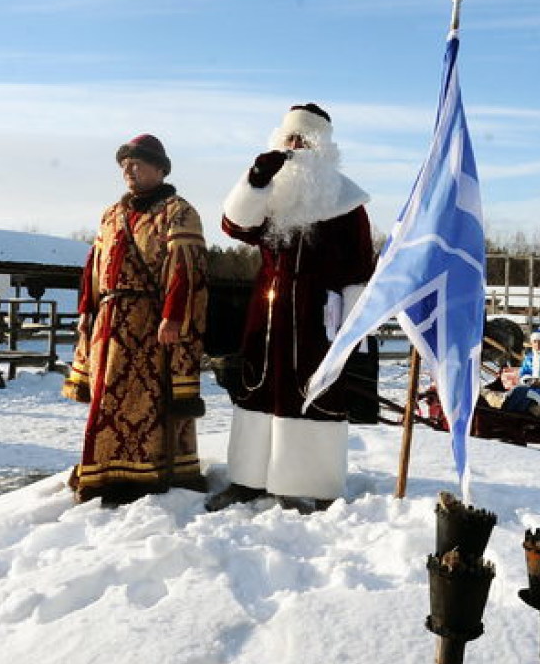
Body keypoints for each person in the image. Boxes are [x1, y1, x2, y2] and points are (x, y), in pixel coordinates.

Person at [206, 103, 374, 511]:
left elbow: (360, 269)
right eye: (289, 139)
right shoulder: (270, 191)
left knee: (313, 393)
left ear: (322, 149)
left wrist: (354, 332)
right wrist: (256, 180)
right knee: (257, 388)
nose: (295, 146)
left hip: (319, 316)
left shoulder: (346, 201)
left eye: (304, 140)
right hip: (267, 311)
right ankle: (248, 479)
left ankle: (311, 483)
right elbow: (234, 226)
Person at [62, 134, 208, 505]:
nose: (129, 168)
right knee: (107, 400)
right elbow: (94, 267)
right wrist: (86, 311)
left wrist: (173, 317)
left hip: (149, 322)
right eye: (125, 163)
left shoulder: (178, 212)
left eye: (138, 162)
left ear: (160, 169)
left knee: (148, 400)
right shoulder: (111, 215)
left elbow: (186, 272)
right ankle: (106, 470)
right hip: (109, 322)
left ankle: (151, 472)